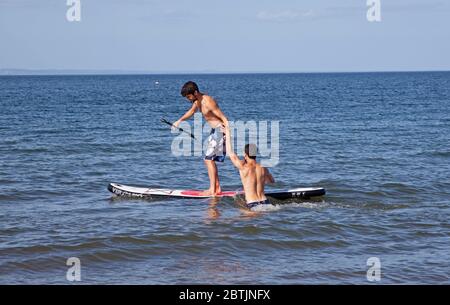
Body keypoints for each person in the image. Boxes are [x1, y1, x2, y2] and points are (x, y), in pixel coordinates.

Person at [173, 81, 229, 196]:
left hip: (220, 130)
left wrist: (227, 134)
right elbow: (192, 112)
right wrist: (179, 121)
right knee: (209, 159)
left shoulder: (208, 101)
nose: (188, 99)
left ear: (195, 92)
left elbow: (223, 117)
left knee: (208, 159)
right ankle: (217, 188)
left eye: (189, 96)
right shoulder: (197, 101)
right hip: (215, 131)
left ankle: (213, 189)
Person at [224, 123, 275, 209]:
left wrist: (227, 133)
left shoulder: (243, 167)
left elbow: (231, 153)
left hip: (252, 204)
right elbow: (271, 181)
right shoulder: (264, 168)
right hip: (266, 203)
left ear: (245, 154)